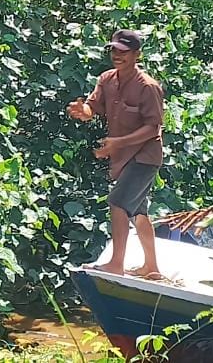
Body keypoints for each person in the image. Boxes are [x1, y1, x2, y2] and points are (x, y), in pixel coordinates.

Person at [66, 29, 165, 280]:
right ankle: (151, 267)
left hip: (145, 157)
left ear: (137, 54)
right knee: (139, 212)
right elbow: (93, 106)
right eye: (114, 50)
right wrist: (83, 111)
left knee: (118, 203)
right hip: (123, 158)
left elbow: (153, 128)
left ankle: (116, 264)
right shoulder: (107, 79)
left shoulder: (148, 87)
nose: (117, 55)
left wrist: (118, 143)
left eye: (123, 52)